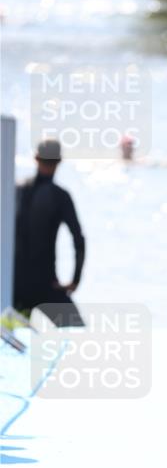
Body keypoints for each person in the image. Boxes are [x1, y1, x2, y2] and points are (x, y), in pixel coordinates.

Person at [13, 139, 86, 327]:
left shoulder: (15, 190)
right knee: (78, 337)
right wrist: (74, 280)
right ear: (59, 161)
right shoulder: (59, 196)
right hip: (46, 285)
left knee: (11, 347)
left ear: (36, 158)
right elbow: (78, 240)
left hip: (15, 287)